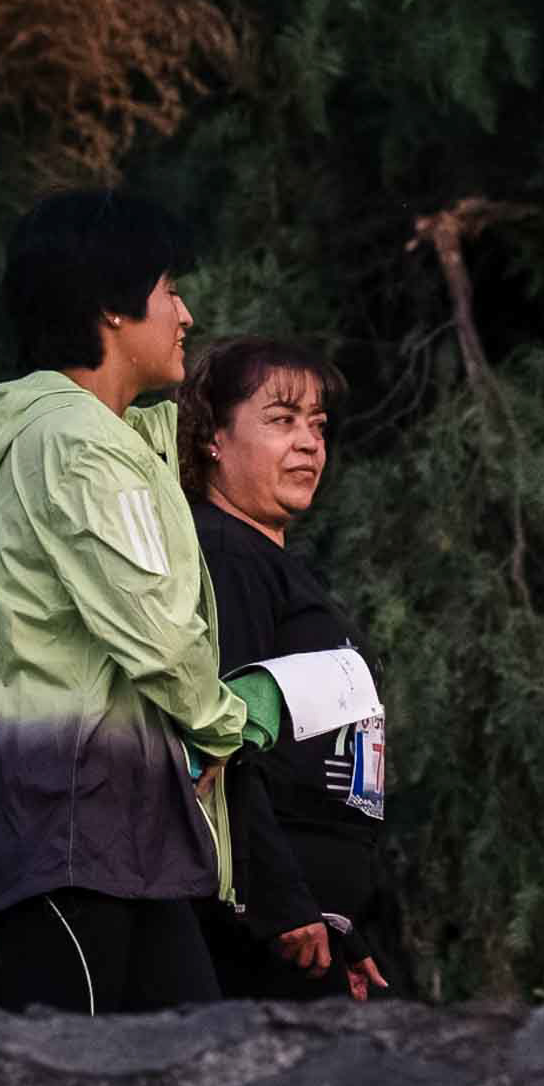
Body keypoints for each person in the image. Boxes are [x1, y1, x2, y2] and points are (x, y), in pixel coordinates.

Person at [0, 188, 267, 1014]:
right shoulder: (75, 448)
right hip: (68, 826)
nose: (186, 313)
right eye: (169, 291)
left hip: (115, 832)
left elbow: (155, 452)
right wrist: (227, 726)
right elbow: (158, 634)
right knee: (70, 1077)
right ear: (111, 310)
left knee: (192, 1062)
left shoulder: (92, 439)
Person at [177, 336, 392, 1001]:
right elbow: (221, 746)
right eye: (281, 420)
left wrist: (342, 925)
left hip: (312, 924)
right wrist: (281, 904)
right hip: (265, 932)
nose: (309, 444)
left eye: (318, 425)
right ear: (213, 437)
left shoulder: (268, 559)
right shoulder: (225, 552)